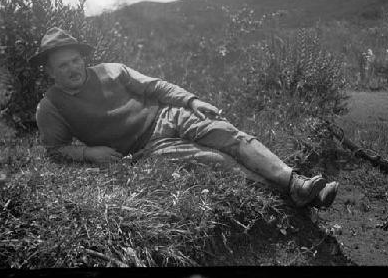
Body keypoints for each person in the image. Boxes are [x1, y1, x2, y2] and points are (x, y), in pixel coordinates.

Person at [31, 27, 339, 209]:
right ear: (49, 71)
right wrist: (88, 153)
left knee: (227, 134)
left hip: (169, 115)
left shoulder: (113, 70)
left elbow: (157, 87)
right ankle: (292, 199)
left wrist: (191, 100)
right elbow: (54, 150)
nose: (73, 69)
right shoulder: (50, 107)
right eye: (63, 66)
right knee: (216, 161)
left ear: (83, 57)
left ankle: (296, 182)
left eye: (76, 60)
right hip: (145, 148)